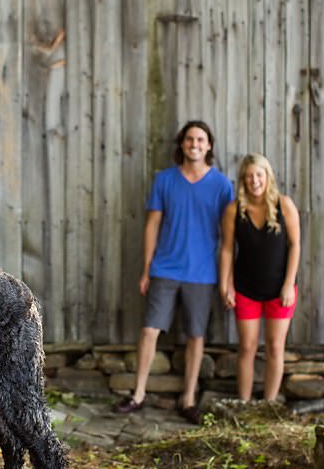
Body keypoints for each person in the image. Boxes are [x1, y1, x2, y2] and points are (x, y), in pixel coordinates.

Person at [113, 121, 235, 424]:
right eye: (190, 139)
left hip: (203, 273)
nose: (194, 144)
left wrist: (226, 280)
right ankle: (138, 393)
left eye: (201, 139)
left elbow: (229, 239)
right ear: (181, 144)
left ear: (209, 146)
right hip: (165, 268)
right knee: (149, 330)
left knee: (196, 336)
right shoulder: (165, 181)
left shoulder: (222, 185)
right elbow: (152, 225)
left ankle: (189, 398)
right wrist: (146, 269)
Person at [219, 153, 300, 402]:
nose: (254, 180)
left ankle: (269, 405)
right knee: (247, 347)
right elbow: (227, 249)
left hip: (280, 290)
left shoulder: (284, 205)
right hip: (246, 289)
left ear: (268, 177)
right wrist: (226, 285)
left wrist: (288, 284)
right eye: (249, 175)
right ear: (243, 179)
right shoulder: (235, 210)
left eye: (259, 175)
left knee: (275, 348)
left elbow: (295, 245)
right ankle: (244, 405)